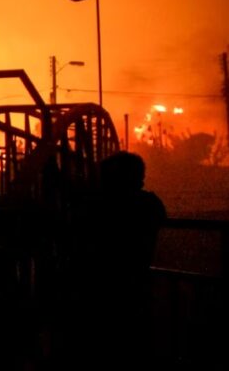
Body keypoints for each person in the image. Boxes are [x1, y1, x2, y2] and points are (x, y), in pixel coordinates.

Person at [71, 151, 166, 369]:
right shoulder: (148, 204)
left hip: (99, 292)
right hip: (135, 287)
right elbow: (160, 214)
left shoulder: (97, 205)